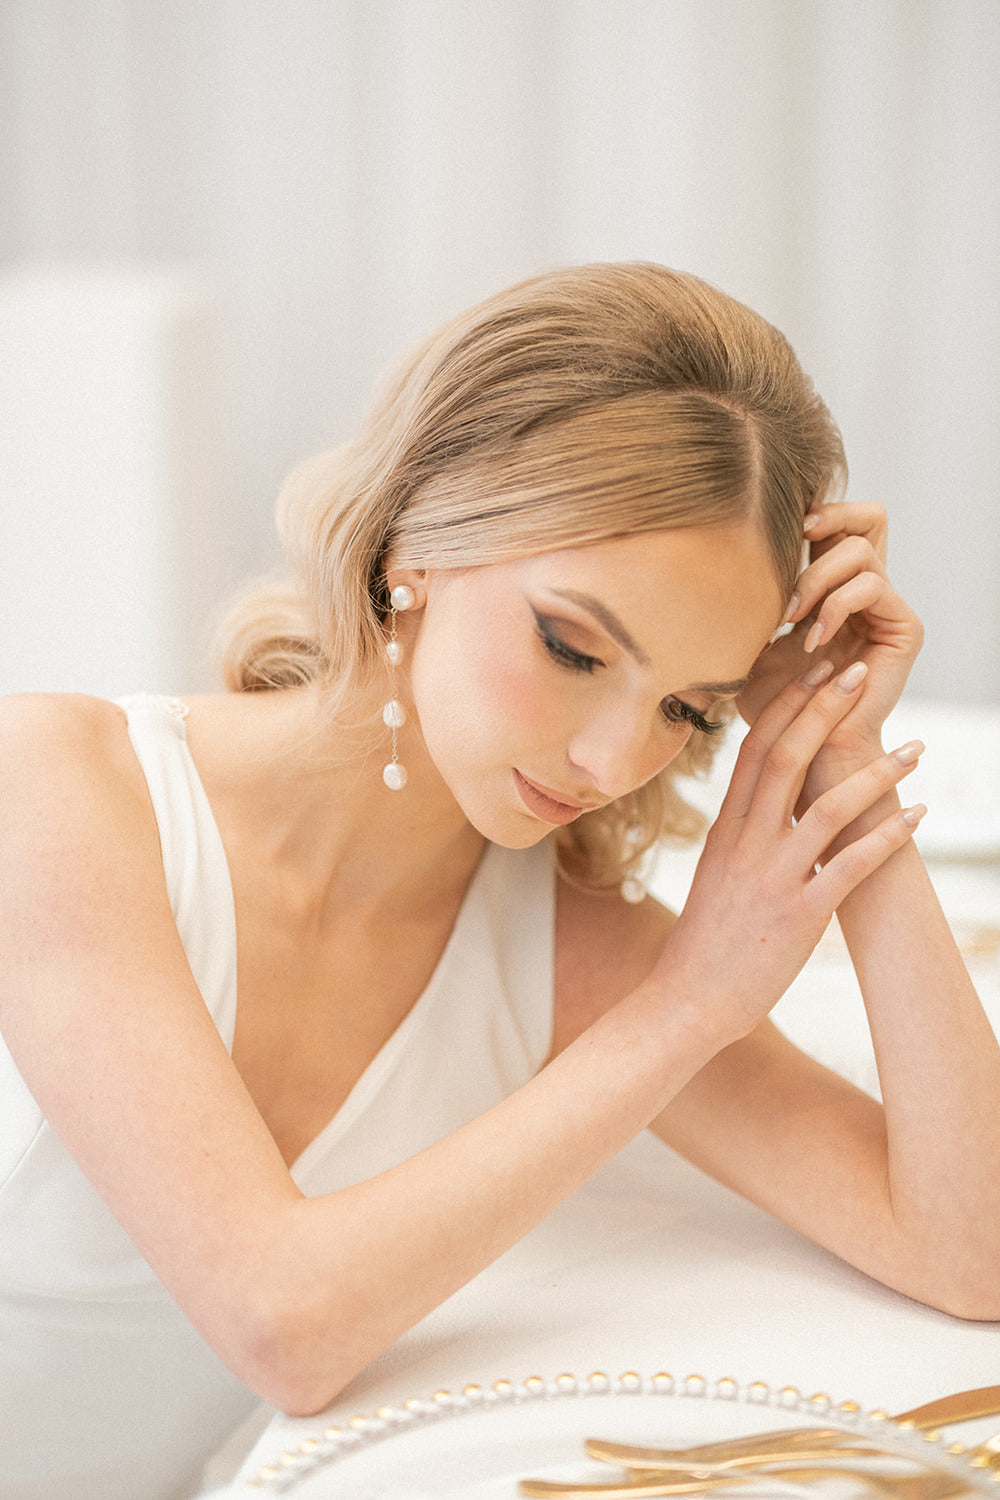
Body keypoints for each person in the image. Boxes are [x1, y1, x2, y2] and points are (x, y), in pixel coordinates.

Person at [1, 263, 997, 1500]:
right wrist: (689, 1006)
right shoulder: (55, 788)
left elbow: (971, 1249)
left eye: (689, 707)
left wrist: (833, 738)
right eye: (573, 647)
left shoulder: (565, 944)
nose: (614, 758)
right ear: (417, 535)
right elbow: (281, 1323)